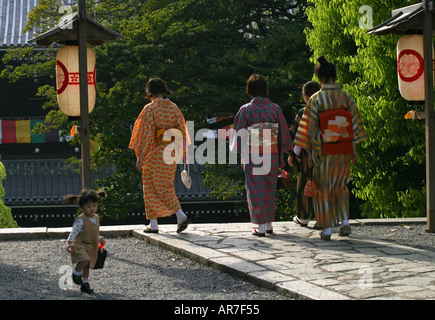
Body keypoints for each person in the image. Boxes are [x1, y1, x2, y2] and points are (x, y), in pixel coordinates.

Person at [292, 56, 367, 240]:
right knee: (341, 185)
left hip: (323, 150)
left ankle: (326, 229)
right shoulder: (345, 96)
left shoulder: (317, 99)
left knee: (323, 188)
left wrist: (309, 152)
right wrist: (353, 147)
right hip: (343, 147)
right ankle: (345, 222)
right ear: (334, 76)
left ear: (320, 79)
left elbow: (309, 128)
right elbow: (354, 123)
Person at [233, 74, 293, 237]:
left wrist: (238, 150)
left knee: (255, 190)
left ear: (249, 91)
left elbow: (239, 134)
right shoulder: (275, 109)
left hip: (253, 155)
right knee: (269, 188)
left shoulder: (245, 110)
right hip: (271, 154)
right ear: (266, 90)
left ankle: (259, 226)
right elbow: (283, 134)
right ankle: (268, 224)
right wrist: (287, 151)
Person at [129, 78, 190, 234]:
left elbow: (145, 135)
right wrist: (183, 153)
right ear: (164, 90)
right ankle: (153, 222)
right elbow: (182, 131)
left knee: (154, 186)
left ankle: (179, 214)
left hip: (155, 153)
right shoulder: (174, 108)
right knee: (163, 184)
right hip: (172, 152)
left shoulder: (150, 109)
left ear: (150, 92)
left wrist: (140, 157)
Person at [289, 81, 321, 227]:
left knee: (304, 184)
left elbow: (296, 136)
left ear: (306, 96)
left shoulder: (303, 113)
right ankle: (323, 217)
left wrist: (291, 155)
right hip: (326, 155)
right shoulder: (326, 110)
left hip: (307, 156)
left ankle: (303, 216)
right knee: (324, 186)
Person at [64, 189, 108, 294]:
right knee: (85, 260)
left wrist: (99, 238)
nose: (92, 209)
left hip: (91, 245)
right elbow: (74, 232)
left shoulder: (96, 218)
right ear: (83, 207)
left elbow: (94, 232)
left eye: (94, 205)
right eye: (89, 206)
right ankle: (75, 273)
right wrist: (70, 243)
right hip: (80, 244)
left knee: (87, 266)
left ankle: (85, 284)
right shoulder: (81, 220)